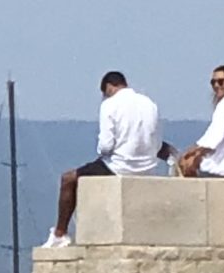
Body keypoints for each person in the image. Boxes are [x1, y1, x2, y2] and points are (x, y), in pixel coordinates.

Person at [44, 69, 171, 245]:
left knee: (68, 179)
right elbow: (156, 142)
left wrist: (103, 151)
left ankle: (60, 234)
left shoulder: (110, 105)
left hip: (119, 167)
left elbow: (105, 146)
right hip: (148, 166)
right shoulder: (149, 104)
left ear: (109, 88)